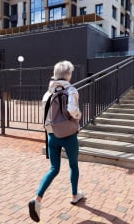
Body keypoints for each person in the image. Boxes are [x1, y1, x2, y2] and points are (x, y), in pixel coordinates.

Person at [28, 60, 84, 223]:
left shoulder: (48, 93)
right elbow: (73, 110)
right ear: (68, 75)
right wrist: (79, 116)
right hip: (68, 135)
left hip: (52, 136)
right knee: (73, 165)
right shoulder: (71, 90)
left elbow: (46, 116)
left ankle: (37, 199)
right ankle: (75, 195)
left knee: (54, 168)